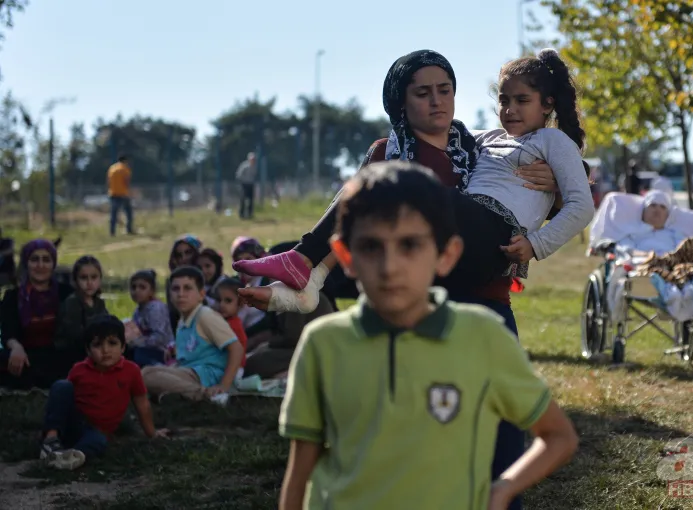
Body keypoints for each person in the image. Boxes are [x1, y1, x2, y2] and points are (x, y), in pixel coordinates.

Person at [238, 50, 563, 510]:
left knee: (502, 437)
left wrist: (554, 179)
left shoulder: (487, 149)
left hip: (487, 305)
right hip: (418, 312)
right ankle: (302, 273)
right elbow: (358, 231)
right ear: (400, 102)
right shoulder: (386, 155)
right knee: (419, 440)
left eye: (444, 90)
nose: (437, 102)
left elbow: (540, 206)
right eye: (423, 92)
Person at [278, 161, 578, 510]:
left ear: (446, 255)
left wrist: (503, 490)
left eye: (410, 246)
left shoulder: (483, 337)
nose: (390, 267)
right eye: (372, 247)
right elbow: (299, 473)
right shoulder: (322, 343)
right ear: (346, 256)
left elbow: (558, 436)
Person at [39, 315, 168, 470]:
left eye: (112, 343)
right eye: (98, 345)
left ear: (123, 347)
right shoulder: (79, 370)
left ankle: (71, 457)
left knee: (99, 441)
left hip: (96, 432)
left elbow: (142, 403)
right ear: (88, 349)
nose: (105, 350)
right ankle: (51, 441)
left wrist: (152, 434)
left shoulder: (131, 371)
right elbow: (62, 402)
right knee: (62, 386)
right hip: (72, 425)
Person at [141, 266, 244, 403]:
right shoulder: (182, 321)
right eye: (175, 289)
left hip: (206, 376)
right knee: (146, 372)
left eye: (187, 288)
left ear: (201, 295)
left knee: (146, 375)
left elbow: (237, 348)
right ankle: (174, 395)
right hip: (190, 372)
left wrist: (223, 386)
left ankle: (208, 396)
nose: (181, 294)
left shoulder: (205, 315)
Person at [0, 239, 73, 390]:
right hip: (25, 355)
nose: (40, 265)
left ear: (53, 264)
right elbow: (8, 333)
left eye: (46, 260)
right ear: (26, 263)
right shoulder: (13, 297)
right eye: (35, 259)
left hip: (58, 355)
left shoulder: (66, 293)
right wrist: (16, 347)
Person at [54, 256, 109, 365]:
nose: (89, 282)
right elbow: (74, 337)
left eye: (94, 277)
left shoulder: (99, 303)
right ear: (75, 280)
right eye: (84, 278)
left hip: (95, 351)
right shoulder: (72, 303)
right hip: (73, 356)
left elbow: (107, 323)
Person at [126, 270, 174, 368]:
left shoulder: (156, 308)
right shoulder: (138, 310)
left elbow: (161, 338)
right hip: (146, 348)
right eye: (133, 287)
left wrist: (139, 342)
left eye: (142, 287)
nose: (137, 291)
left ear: (152, 291)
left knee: (138, 355)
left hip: (163, 351)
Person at [209, 277, 249, 371]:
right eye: (219, 300)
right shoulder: (223, 321)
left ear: (240, 304)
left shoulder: (232, 326)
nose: (222, 304)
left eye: (228, 301)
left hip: (232, 369)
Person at [167, 235, 203, 332]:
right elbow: (173, 313)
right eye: (179, 255)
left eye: (188, 253)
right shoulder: (172, 281)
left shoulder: (207, 275)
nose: (184, 258)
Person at [108, 155, 134, 236]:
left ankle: (112, 232)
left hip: (113, 193)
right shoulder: (124, 169)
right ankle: (128, 229)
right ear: (125, 160)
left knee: (113, 214)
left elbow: (108, 181)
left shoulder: (112, 168)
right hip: (123, 194)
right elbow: (126, 181)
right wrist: (129, 191)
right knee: (128, 212)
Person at [236, 152, 257, 219]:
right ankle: (241, 214)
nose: (253, 160)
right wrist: (242, 182)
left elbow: (254, 176)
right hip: (244, 185)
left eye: (254, 159)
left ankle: (250, 214)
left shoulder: (254, 167)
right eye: (252, 159)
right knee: (243, 199)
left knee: (251, 200)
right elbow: (239, 175)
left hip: (251, 185)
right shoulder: (244, 166)